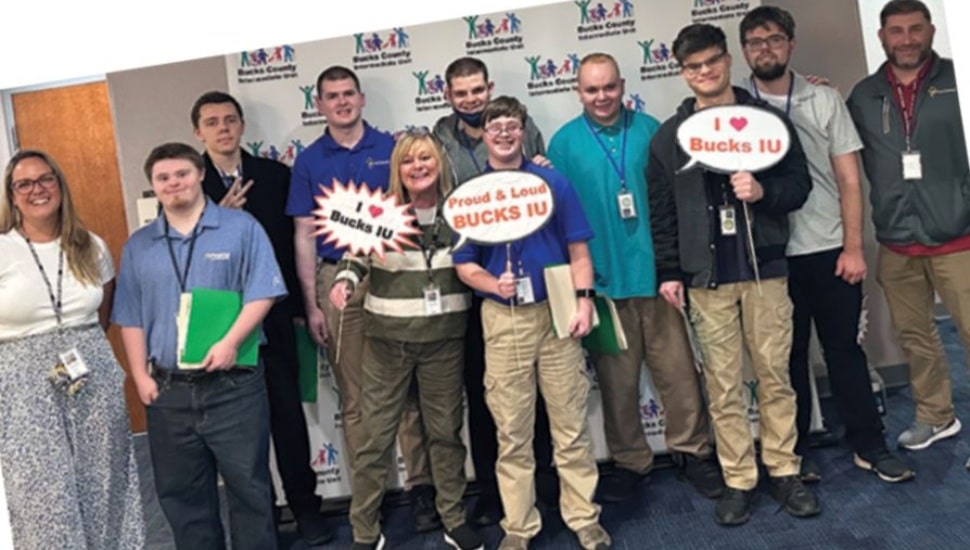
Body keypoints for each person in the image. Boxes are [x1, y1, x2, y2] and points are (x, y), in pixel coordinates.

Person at [647, 23, 819, 526]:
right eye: (693, 66)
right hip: (707, 280)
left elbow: (800, 185)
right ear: (682, 73)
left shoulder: (765, 120)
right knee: (722, 386)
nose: (705, 72)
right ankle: (739, 479)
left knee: (775, 376)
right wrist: (669, 270)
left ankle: (785, 470)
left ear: (727, 60)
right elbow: (662, 211)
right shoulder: (668, 138)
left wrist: (764, 193)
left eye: (712, 62)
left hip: (764, 268)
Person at [739, 6, 915, 484]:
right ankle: (790, 458)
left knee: (845, 353)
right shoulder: (734, 110)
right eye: (755, 42)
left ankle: (869, 445)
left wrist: (854, 247)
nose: (766, 49)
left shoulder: (822, 99)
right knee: (784, 362)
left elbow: (849, 180)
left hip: (829, 247)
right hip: (770, 256)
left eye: (774, 39)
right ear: (744, 50)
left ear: (790, 44)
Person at [547, 51, 723, 503]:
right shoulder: (563, 145)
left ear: (623, 85)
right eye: (591, 89)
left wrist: (676, 267)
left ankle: (693, 451)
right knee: (618, 388)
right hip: (602, 286)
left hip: (659, 280)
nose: (602, 97)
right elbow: (558, 222)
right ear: (578, 91)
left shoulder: (652, 132)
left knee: (680, 377)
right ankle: (630, 461)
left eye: (609, 87)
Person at [454, 96, 611, 550]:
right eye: (494, 126)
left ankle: (583, 516)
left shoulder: (552, 182)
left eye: (511, 125)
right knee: (512, 430)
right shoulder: (471, 196)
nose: (503, 133)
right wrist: (489, 282)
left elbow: (579, 249)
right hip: (503, 320)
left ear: (523, 131)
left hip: (557, 309)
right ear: (482, 134)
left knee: (570, 424)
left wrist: (584, 301)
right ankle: (519, 527)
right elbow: (464, 264)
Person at [113, 142, 285, 549]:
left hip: (233, 387)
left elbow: (263, 292)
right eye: (164, 178)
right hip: (168, 391)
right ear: (154, 186)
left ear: (200, 174)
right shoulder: (139, 246)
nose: (174, 183)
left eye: (182, 174)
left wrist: (230, 342)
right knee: (182, 499)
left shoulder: (241, 228)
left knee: (250, 491)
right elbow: (131, 317)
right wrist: (139, 376)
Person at [286, 65, 435, 531]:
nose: (342, 102)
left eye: (348, 93)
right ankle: (370, 498)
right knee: (355, 399)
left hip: (393, 273)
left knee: (409, 390)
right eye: (331, 96)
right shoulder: (309, 160)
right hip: (336, 281)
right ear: (320, 104)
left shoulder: (391, 148)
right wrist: (312, 304)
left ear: (362, 98)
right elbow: (304, 235)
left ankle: (423, 490)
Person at [192, 90, 333, 545]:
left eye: (229, 119)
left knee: (288, 421)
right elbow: (178, 258)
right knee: (241, 434)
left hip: (273, 317)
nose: (223, 128)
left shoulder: (274, 175)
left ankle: (307, 510)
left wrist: (299, 306)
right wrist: (217, 218)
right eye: (212, 122)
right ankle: (262, 518)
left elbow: (296, 246)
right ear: (198, 131)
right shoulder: (185, 185)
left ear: (242, 126)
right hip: (220, 325)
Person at [331, 132, 483, 550]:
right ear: (397, 169)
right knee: (375, 439)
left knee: (446, 434)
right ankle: (364, 529)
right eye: (408, 161)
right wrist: (345, 282)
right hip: (387, 343)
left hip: (445, 342)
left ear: (439, 162)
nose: (418, 167)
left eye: (425, 158)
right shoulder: (379, 212)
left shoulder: (462, 210)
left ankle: (453, 517)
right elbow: (353, 257)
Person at [433, 55, 559, 526]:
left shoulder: (523, 130)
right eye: (461, 93)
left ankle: (545, 484)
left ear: (488, 88)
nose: (470, 99)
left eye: (477, 90)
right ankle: (492, 490)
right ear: (448, 96)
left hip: (529, 273)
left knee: (541, 390)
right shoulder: (437, 141)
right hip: (473, 276)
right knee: (486, 388)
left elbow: (542, 187)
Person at [0, 150, 146, 549]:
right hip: (21, 385)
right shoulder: (3, 249)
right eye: (24, 184)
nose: (37, 190)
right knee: (42, 492)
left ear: (60, 186)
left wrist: (74, 348)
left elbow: (104, 310)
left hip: (90, 373)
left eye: (46, 179)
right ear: (12, 196)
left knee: (106, 480)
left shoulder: (90, 245)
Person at [847, 0, 970, 454]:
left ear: (931, 31)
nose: (906, 40)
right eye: (896, 31)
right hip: (897, 240)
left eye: (915, 29)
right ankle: (936, 415)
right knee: (916, 336)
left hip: (959, 235)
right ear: (882, 37)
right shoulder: (863, 94)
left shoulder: (960, 79)